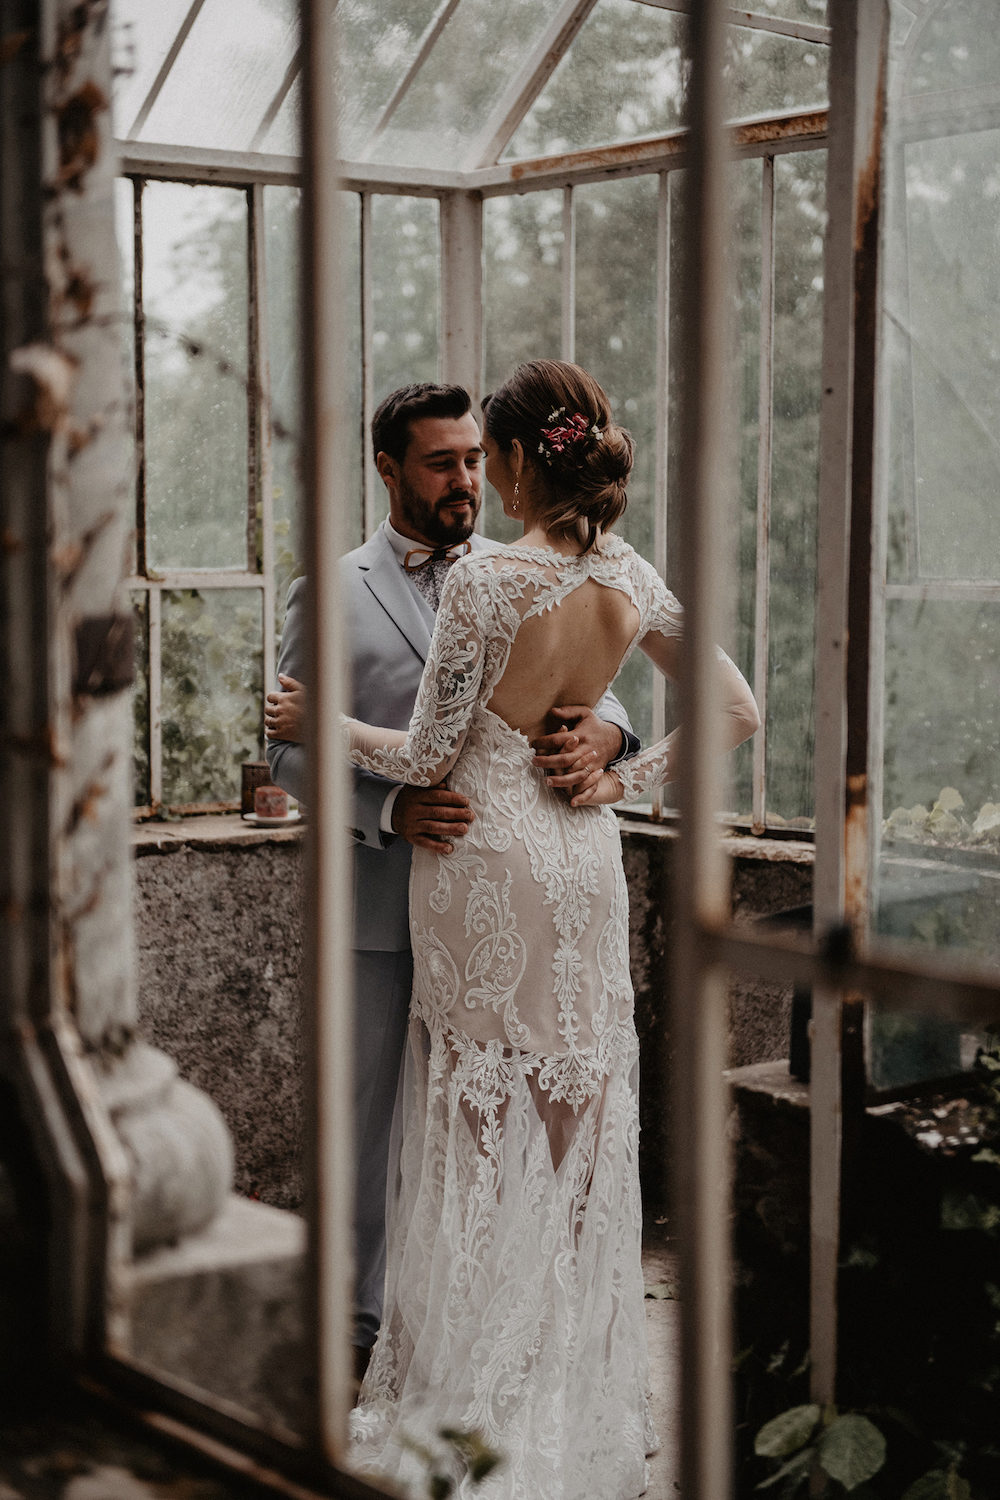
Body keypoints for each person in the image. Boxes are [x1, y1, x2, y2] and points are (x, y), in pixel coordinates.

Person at [341, 360, 760, 1499]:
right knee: (575, 1117)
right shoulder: (629, 574)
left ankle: (477, 1401)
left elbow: (425, 756)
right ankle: (564, 1389)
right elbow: (737, 709)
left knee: (477, 1115)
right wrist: (629, 779)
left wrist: (328, 722)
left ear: (520, 461)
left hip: (482, 861)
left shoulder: (488, 584)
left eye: (493, 452)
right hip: (581, 860)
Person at [264, 382, 638, 1384]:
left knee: (501, 1124)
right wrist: (391, 813)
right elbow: (286, 753)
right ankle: (358, 1331)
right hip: (386, 907)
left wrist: (613, 735)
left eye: (475, 458)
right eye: (440, 462)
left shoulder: (530, 569)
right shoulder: (329, 590)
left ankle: (476, 1328)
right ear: (387, 468)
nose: (465, 479)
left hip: (514, 905)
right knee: (377, 1123)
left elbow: (604, 686)